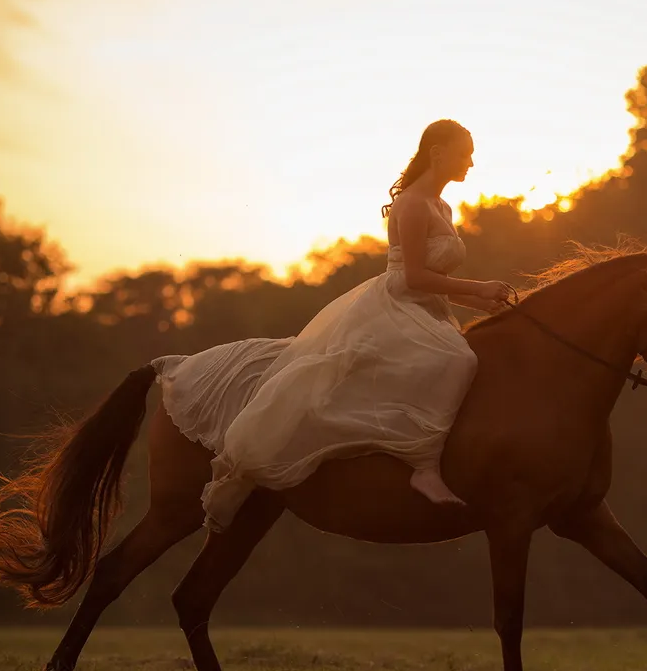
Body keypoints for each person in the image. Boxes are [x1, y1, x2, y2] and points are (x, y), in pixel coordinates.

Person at [163, 119, 513, 532]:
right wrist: (478, 284)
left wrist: (482, 300)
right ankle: (422, 464)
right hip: (398, 307)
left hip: (427, 308)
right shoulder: (414, 205)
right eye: (464, 152)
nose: (471, 162)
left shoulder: (442, 207)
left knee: (459, 358)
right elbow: (413, 278)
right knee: (457, 360)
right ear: (438, 153)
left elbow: (437, 284)